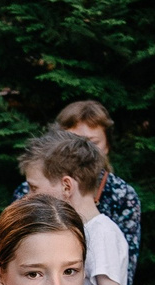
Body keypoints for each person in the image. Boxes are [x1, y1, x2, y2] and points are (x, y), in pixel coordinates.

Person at [21, 129, 129, 285]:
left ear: (67, 187)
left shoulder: (101, 234)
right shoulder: (62, 232)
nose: (27, 197)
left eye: (34, 188)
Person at [12, 98, 142, 275]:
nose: (82, 151)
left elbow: (123, 270)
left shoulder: (122, 195)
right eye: (72, 142)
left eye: (92, 143)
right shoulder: (30, 191)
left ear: (107, 146)